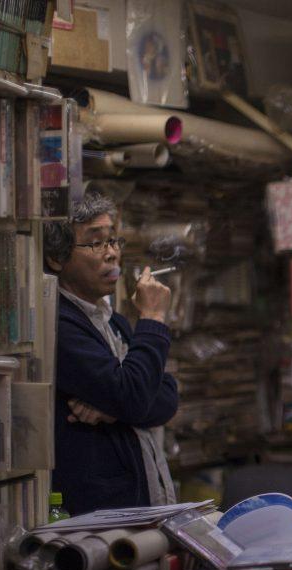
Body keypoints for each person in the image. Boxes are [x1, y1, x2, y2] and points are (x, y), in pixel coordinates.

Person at [44, 192, 178, 515]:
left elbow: (167, 397)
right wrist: (153, 318)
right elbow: (134, 395)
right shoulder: (60, 324)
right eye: (95, 243)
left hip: (141, 503)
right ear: (57, 259)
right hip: (100, 517)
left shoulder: (113, 320)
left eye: (113, 241)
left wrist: (115, 410)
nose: (112, 254)